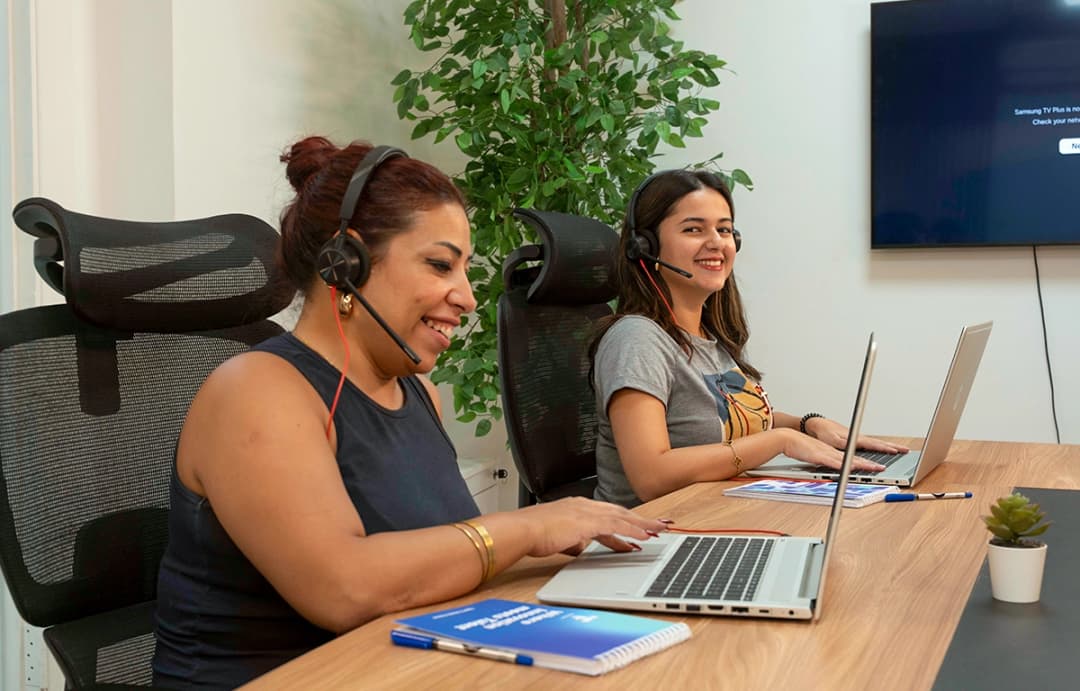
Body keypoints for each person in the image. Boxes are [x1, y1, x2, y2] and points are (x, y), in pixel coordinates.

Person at [151, 137, 668, 689]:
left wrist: (603, 571)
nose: (468, 297)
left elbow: (447, 556)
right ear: (346, 264)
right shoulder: (257, 391)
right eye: (440, 265)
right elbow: (344, 589)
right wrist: (528, 525)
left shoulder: (420, 390)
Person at [589, 169, 907, 508]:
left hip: (715, 513)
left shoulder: (708, 337)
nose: (716, 242)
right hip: (652, 534)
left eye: (724, 229)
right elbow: (651, 477)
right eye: (694, 229)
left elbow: (728, 416)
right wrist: (780, 441)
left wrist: (807, 425)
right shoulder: (637, 340)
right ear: (645, 247)